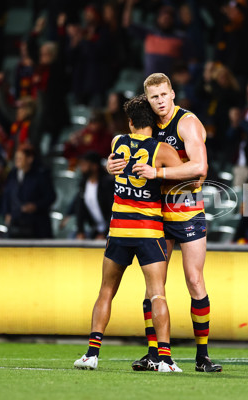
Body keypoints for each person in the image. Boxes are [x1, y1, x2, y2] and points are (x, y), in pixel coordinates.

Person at [74, 95, 198, 372]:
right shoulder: (163, 150)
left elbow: (115, 165)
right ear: (153, 122)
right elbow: (191, 180)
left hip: (118, 228)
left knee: (106, 291)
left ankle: (91, 354)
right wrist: (160, 173)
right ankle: (164, 359)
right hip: (148, 230)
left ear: (130, 122)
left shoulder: (117, 142)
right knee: (157, 294)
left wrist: (111, 166)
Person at [107, 73, 221, 373]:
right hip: (156, 213)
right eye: (154, 97)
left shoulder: (188, 123)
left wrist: (157, 174)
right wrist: (111, 164)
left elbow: (200, 167)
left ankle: (203, 355)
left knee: (194, 280)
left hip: (187, 210)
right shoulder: (146, 124)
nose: (160, 101)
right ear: (148, 98)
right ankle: (154, 353)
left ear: (173, 94)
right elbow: (126, 157)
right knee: (154, 287)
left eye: (163, 95)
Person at [2, 144, 56, 239]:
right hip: (16, 223)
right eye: (16, 158)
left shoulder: (41, 175)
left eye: (20, 158)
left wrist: (36, 206)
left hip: (37, 226)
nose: (17, 161)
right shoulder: (13, 174)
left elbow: (51, 197)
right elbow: (7, 194)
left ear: (30, 159)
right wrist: (7, 212)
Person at [74, 151, 114, 240]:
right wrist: (80, 231)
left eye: (84, 164)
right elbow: (80, 208)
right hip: (96, 229)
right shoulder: (84, 183)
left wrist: (105, 233)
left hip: (112, 231)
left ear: (95, 166)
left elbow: (113, 210)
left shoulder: (107, 183)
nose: (82, 168)